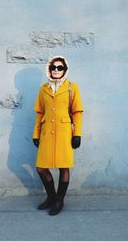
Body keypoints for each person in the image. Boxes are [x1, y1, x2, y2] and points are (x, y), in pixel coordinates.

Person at [32, 55, 83, 216]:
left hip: (64, 132)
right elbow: (40, 113)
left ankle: (59, 200)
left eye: (59, 67)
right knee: (41, 167)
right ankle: (51, 197)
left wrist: (77, 134)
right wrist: (36, 134)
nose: (56, 70)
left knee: (63, 166)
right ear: (49, 69)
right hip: (47, 132)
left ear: (65, 70)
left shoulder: (71, 88)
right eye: (53, 67)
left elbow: (77, 112)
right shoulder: (43, 88)